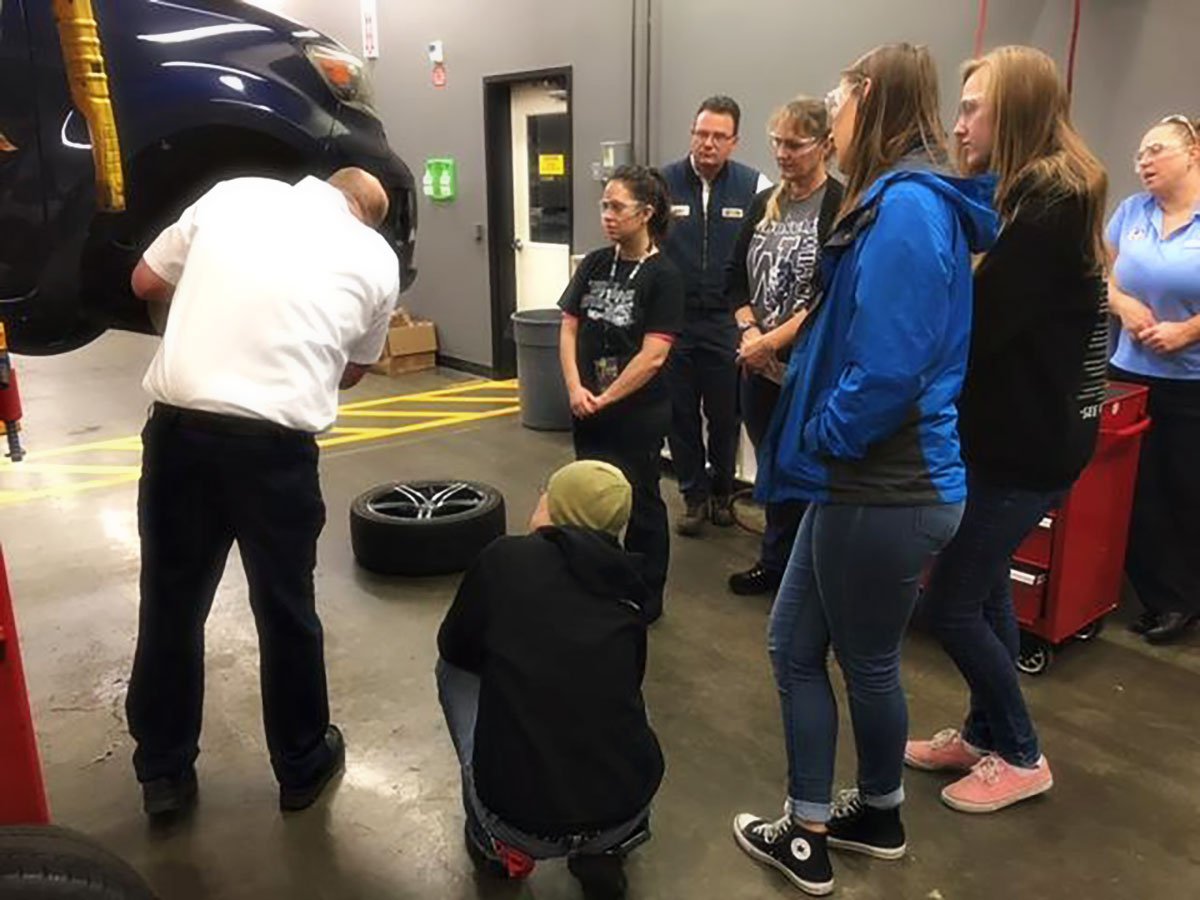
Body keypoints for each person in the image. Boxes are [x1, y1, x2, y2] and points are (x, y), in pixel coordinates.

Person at [731, 44, 998, 896]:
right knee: (798, 645)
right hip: (870, 485)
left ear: (869, 98)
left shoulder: (911, 208)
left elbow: (889, 366)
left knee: (849, 658)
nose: (832, 115)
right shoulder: (896, 201)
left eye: (840, 99)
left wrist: (827, 438)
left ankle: (809, 832)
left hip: (884, 484)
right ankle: (873, 812)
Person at [125, 168, 399, 816]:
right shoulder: (376, 257)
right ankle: (302, 765)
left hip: (180, 434)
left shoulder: (235, 194)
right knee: (285, 610)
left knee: (170, 604)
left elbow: (143, 281)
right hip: (274, 452)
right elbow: (355, 370)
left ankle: (163, 774)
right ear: (366, 215)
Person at [906, 46, 1109, 814]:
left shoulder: (1048, 208)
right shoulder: (1030, 196)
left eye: (972, 108)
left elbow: (980, 327)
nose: (958, 125)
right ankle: (983, 733)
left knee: (950, 605)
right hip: (1009, 436)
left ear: (1014, 113)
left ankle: (1021, 752)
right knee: (986, 589)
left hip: (1028, 444)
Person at [436, 460, 662, 900]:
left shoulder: (504, 559)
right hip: (624, 809)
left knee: (455, 672)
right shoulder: (632, 591)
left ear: (557, 508)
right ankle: (606, 850)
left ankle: (497, 849)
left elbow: (456, 646)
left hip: (518, 819)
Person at [725, 97, 844, 597]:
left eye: (794, 144)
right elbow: (734, 280)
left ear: (825, 146)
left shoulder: (841, 203)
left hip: (806, 368)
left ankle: (808, 571)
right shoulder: (764, 202)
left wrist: (771, 341)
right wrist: (751, 333)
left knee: (806, 472)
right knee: (772, 468)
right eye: (776, 142)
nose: (783, 154)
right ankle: (775, 561)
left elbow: (829, 297)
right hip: (758, 366)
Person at [559, 164, 685, 621]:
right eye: (604, 206)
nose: (607, 215)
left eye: (617, 206)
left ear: (646, 213)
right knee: (588, 495)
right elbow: (569, 327)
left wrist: (607, 398)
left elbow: (653, 355)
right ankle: (593, 580)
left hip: (636, 413)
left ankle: (644, 593)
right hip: (586, 405)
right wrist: (576, 387)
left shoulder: (664, 276)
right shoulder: (596, 262)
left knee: (640, 500)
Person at [1107, 114, 1200, 645]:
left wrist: (1188, 331)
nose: (1143, 161)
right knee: (1137, 490)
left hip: (1191, 379)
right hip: (1131, 373)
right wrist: (1122, 305)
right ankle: (1161, 596)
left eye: (1156, 150)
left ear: (1191, 153)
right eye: (1140, 153)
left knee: (1186, 487)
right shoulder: (1131, 213)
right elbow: (1108, 277)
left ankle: (1185, 597)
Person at [660, 96, 772, 537]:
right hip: (676, 320)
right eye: (701, 134)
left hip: (727, 320)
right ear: (692, 134)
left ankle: (723, 492)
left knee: (726, 415)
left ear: (734, 142)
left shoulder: (755, 187)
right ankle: (694, 496)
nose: (708, 143)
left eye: (718, 137)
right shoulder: (663, 183)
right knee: (680, 413)